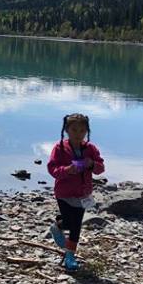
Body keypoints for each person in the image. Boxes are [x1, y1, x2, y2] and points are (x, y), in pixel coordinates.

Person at [46, 113, 105, 271]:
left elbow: (101, 168)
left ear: (87, 131)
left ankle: (70, 256)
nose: (78, 134)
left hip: (83, 193)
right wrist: (67, 170)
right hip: (64, 193)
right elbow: (52, 169)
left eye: (81, 131)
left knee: (76, 226)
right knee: (69, 222)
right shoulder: (59, 148)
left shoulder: (90, 149)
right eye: (74, 130)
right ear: (67, 130)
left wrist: (92, 164)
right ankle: (57, 226)